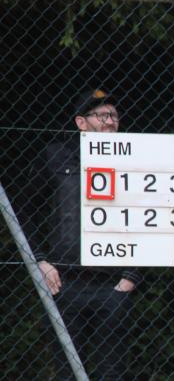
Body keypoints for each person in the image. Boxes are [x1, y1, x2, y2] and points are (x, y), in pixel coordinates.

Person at [27, 89, 141, 380]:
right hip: (64, 282)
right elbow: (25, 209)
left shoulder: (136, 161)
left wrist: (131, 276)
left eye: (114, 115)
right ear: (81, 122)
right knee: (66, 369)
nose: (110, 121)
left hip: (112, 284)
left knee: (112, 371)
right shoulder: (56, 157)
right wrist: (40, 260)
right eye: (101, 115)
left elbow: (151, 220)